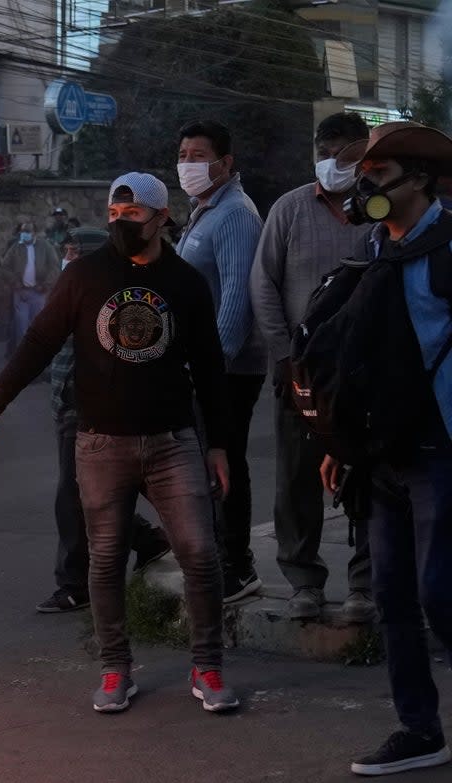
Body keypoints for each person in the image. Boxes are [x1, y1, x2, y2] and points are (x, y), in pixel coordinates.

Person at [0, 173, 236, 714]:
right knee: (106, 560)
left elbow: (210, 367)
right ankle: (116, 670)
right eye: (114, 216)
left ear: (161, 217)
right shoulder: (84, 276)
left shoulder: (186, 283)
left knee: (200, 554)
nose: (121, 226)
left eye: (132, 216)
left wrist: (219, 445)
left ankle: (207, 667)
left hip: (171, 441)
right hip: (99, 443)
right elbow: (41, 339)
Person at [319, 121, 452, 777]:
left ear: (421, 179)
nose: (365, 181)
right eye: (362, 172)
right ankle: (419, 728)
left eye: (379, 170)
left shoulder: (449, 250)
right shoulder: (373, 254)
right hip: (383, 455)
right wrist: (342, 442)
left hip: (441, 452)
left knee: (441, 592)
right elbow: (361, 361)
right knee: (394, 597)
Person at [250, 112, 374, 623]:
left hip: (367, 373)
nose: (331, 164)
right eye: (324, 154)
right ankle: (303, 580)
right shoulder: (290, 209)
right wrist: (282, 356)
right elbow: (263, 285)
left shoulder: (379, 210)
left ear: (364, 159)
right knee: (296, 478)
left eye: (344, 155)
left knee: (369, 477)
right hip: (301, 372)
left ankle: (365, 585)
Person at [38, 230, 171, 613]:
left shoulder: (114, 300)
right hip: (69, 405)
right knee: (88, 492)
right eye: (65, 250)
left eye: (73, 253)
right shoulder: (69, 289)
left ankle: (75, 583)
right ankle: (145, 540)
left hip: (99, 409)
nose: (67, 258)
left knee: (78, 493)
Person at [174, 119, 267, 604]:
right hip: (203, 364)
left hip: (228, 368)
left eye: (198, 155)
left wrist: (212, 367)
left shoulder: (235, 214)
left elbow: (236, 297)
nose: (188, 164)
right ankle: (217, 558)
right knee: (204, 461)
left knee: (225, 460)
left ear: (226, 163)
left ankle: (238, 565)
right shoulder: (203, 210)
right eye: (184, 154)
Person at [1, 221, 60, 352]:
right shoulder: (16, 247)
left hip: (38, 293)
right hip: (21, 293)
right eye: (23, 231)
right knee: (21, 328)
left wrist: (46, 284)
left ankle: (37, 357)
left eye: (28, 231)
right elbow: (4, 268)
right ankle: (21, 360)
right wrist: (15, 282)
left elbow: (55, 267)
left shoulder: (44, 246)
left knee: (38, 326)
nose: (25, 234)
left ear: (34, 233)